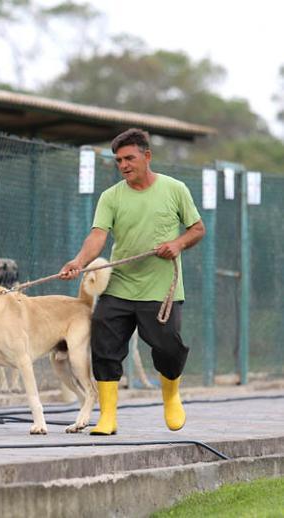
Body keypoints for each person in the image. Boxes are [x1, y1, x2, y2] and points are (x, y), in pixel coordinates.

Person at [59, 128, 205, 435]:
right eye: (118, 160)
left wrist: (177, 245)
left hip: (161, 289)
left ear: (147, 156)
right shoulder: (111, 197)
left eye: (129, 158)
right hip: (119, 286)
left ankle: (171, 396)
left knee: (169, 348)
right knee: (104, 346)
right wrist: (79, 262)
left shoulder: (174, 189)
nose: (123, 165)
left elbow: (196, 229)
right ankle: (107, 417)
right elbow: (98, 236)